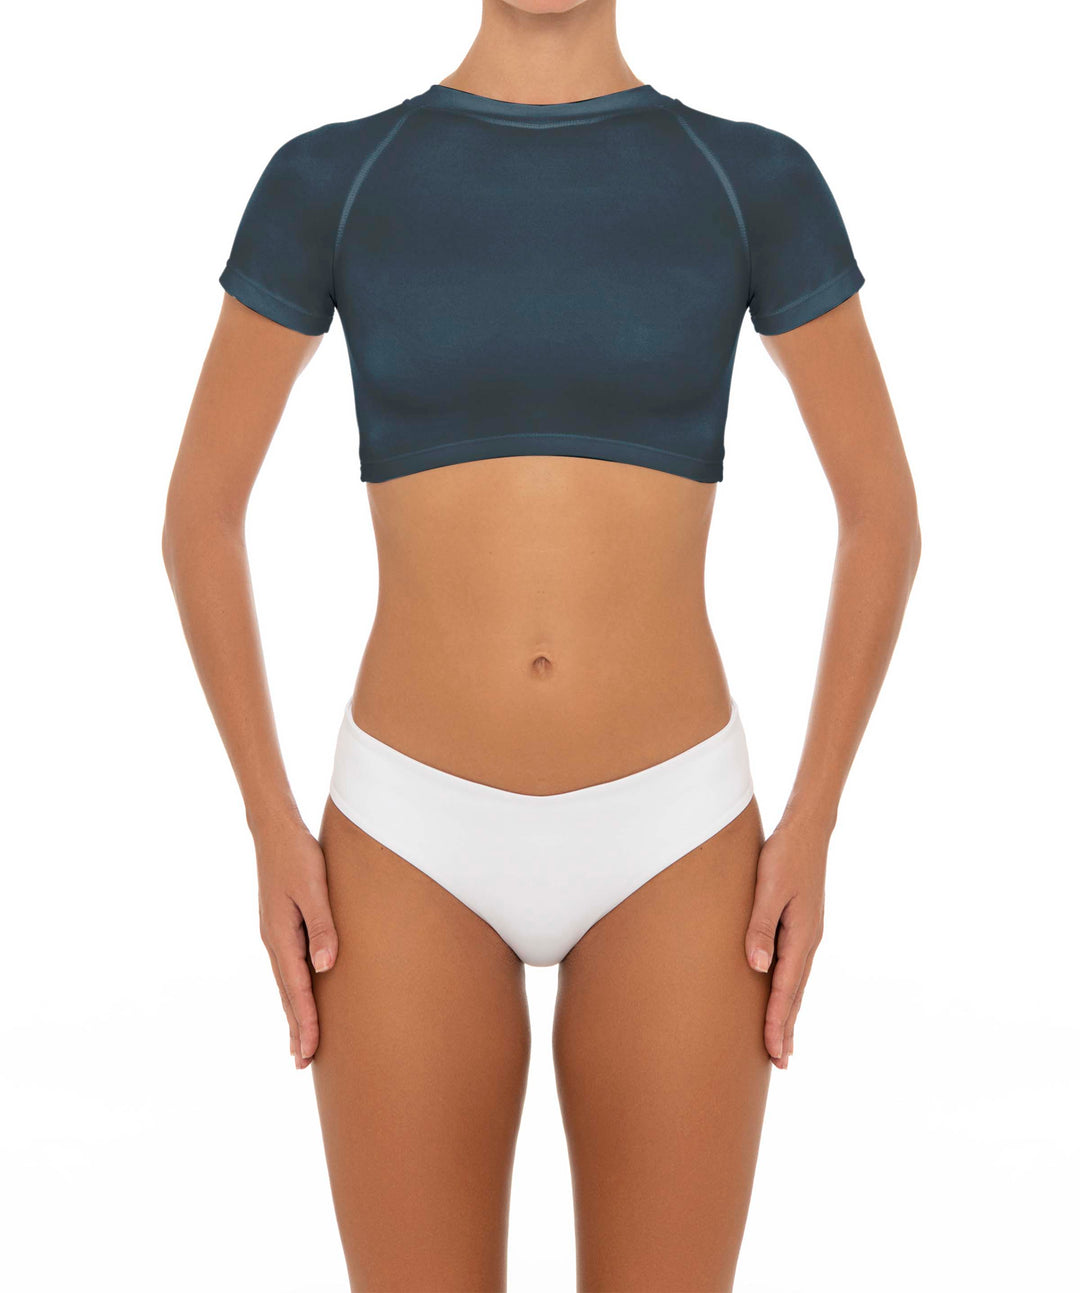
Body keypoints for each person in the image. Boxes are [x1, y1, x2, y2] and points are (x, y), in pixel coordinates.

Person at [163, 1, 920, 1287]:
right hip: (405, 834)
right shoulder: (335, 179)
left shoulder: (749, 180)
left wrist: (816, 821)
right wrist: (267, 822)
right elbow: (200, 515)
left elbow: (882, 516)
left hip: (677, 834)